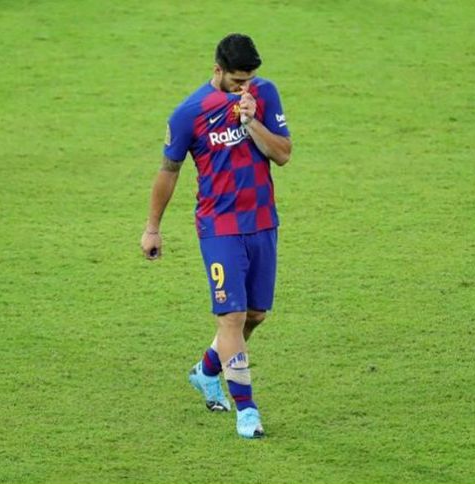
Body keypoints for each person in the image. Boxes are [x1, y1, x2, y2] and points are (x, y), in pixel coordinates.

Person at [140, 33, 291, 439]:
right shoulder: (189, 113)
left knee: (255, 315)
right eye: (237, 80)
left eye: (249, 79)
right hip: (219, 226)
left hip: (263, 221)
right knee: (232, 317)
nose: (244, 87)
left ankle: (207, 371)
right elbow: (168, 172)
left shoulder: (264, 94)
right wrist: (152, 228)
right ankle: (247, 411)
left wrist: (251, 121)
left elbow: (283, 154)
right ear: (217, 70)